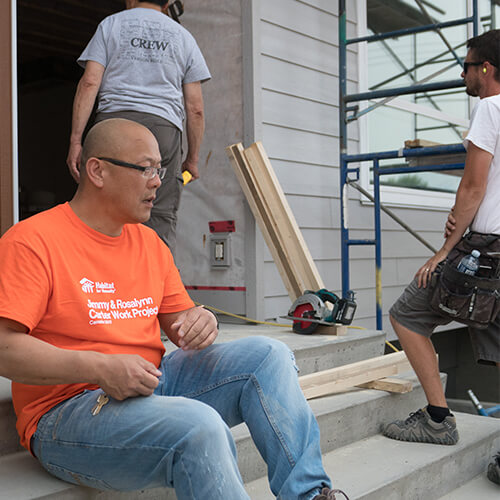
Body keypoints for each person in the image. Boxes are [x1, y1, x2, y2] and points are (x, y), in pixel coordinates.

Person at [0, 119, 348, 500]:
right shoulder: (32, 242)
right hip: (67, 413)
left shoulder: (149, 244)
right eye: (146, 168)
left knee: (270, 355)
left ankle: (310, 495)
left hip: (151, 383)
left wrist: (203, 320)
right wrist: (98, 366)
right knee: (197, 426)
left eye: (160, 170)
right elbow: (5, 348)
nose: (158, 182)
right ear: (98, 170)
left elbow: (183, 324)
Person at [382, 30, 500, 485]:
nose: (464, 75)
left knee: (408, 314)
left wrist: (444, 251)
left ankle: (437, 419)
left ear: (485, 68)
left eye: (467, 67)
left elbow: (473, 187)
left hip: (485, 250)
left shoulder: (489, 107)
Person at [67, 0, 210, 255]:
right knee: (159, 216)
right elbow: (195, 108)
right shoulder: (183, 37)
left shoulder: (111, 24)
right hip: (163, 131)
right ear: (167, 3)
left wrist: (76, 141)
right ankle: (154, 291)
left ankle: (99, 285)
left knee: (101, 208)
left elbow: (89, 83)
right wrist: (192, 159)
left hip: (114, 129)